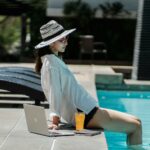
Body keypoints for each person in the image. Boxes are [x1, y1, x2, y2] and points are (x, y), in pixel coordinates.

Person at [34, 20, 142, 146]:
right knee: (135, 127)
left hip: (88, 109)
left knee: (137, 121)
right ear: (51, 44)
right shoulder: (51, 63)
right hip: (85, 113)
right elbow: (55, 92)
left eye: (66, 38)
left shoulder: (55, 60)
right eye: (62, 40)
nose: (66, 42)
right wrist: (55, 120)